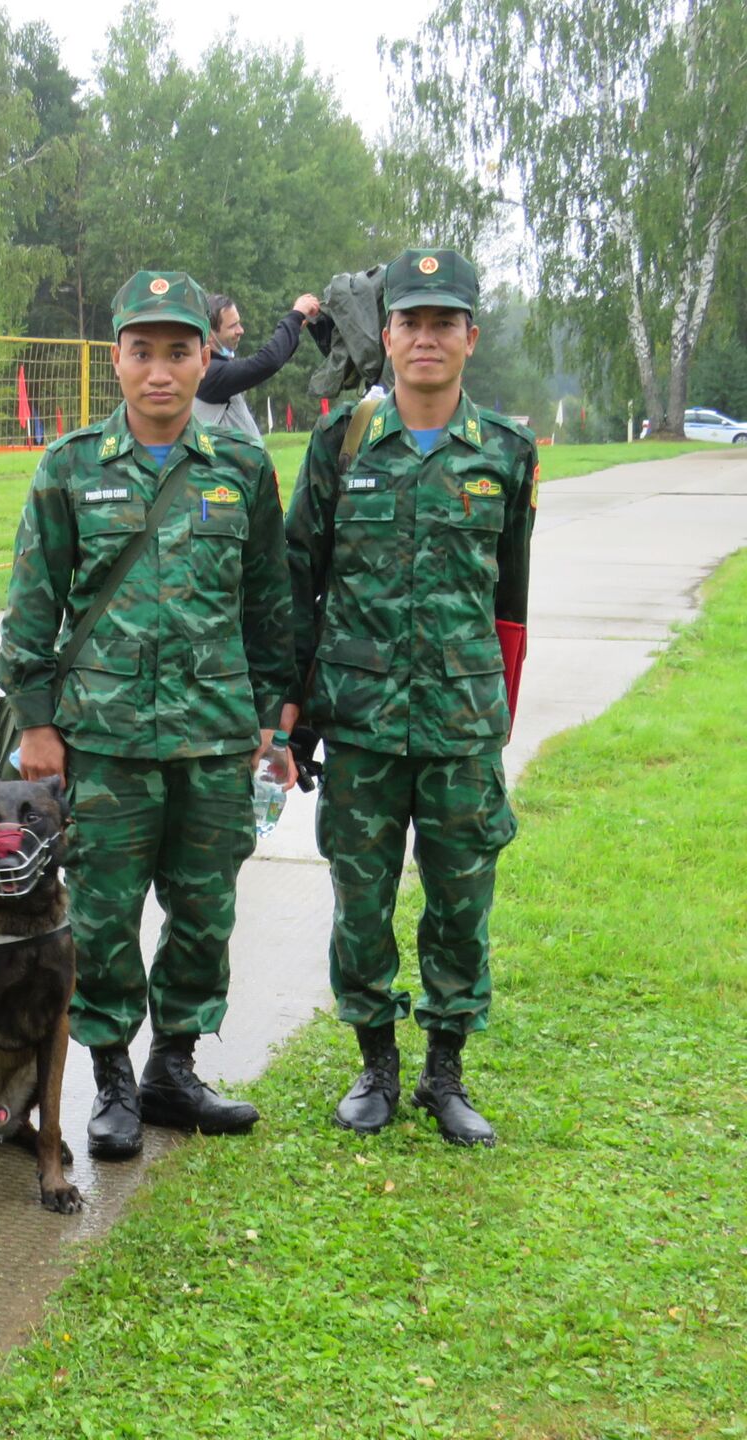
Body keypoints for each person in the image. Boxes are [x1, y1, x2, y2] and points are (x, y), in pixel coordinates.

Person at [0, 270, 297, 1162]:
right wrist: (39, 724)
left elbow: (268, 609)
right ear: (116, 360)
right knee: (102, 916)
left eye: (178, 352)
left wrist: (272, 726)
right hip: (105, 743)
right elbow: (29, 613)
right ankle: (113, 1080)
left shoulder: (242, 471)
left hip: (213, 741)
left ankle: (174, 1064)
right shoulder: (71, 466)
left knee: (204, 911)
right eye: (142, 353)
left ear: (207, 359)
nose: (160, 372)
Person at [283, 247, 535, 1147]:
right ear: (385, 335)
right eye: (409, 323)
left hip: (462, 723)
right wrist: (296, 714)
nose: (425, 339)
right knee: (363, 899)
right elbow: (296, 581)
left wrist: (495, 712)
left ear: (471, 336)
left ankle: (445, 1073)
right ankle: (376, 1067)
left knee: (461, 902)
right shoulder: (342, 441)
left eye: (443, 323)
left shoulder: (505, 452)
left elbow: (511, 602)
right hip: (361, 722)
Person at [192, 291, 321, 439]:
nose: (241, 330)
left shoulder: (213, 368)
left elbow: (272, 361)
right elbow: (268, 362)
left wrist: (295, 328)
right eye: (233, 326)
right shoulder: (208, 372)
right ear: (209, 336)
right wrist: (295, 315)